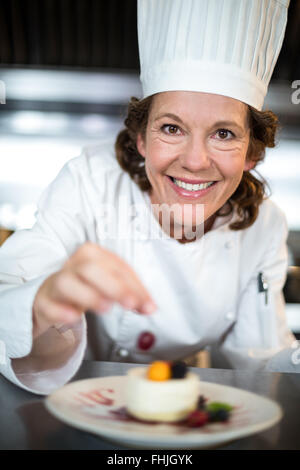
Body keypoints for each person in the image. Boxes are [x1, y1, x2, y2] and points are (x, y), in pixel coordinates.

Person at [0, 0, 297, 395]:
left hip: (184, 405)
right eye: (171, 128)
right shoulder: (91, 181)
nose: (194, 161)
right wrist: (42, 303)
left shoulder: (264, 226)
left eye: (223, 134)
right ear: (141, 139)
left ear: (252, 154)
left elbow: (260, 360)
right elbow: (7, 290)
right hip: (78, 400)